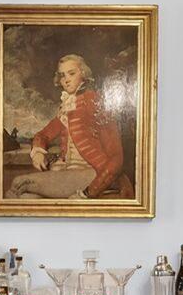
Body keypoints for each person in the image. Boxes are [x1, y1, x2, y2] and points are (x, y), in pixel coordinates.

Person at [10, 53, 126, 199]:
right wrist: (38, 152)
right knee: (26, 198)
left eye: (71, 73)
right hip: (66, 172)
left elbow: (116, 159)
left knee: (19, 183)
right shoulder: (68, 106)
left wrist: (89, 192)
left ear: (83, 74)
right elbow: (43, 135)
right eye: (62, 76)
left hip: (94, 173)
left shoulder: (96, 102)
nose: (66, 80)